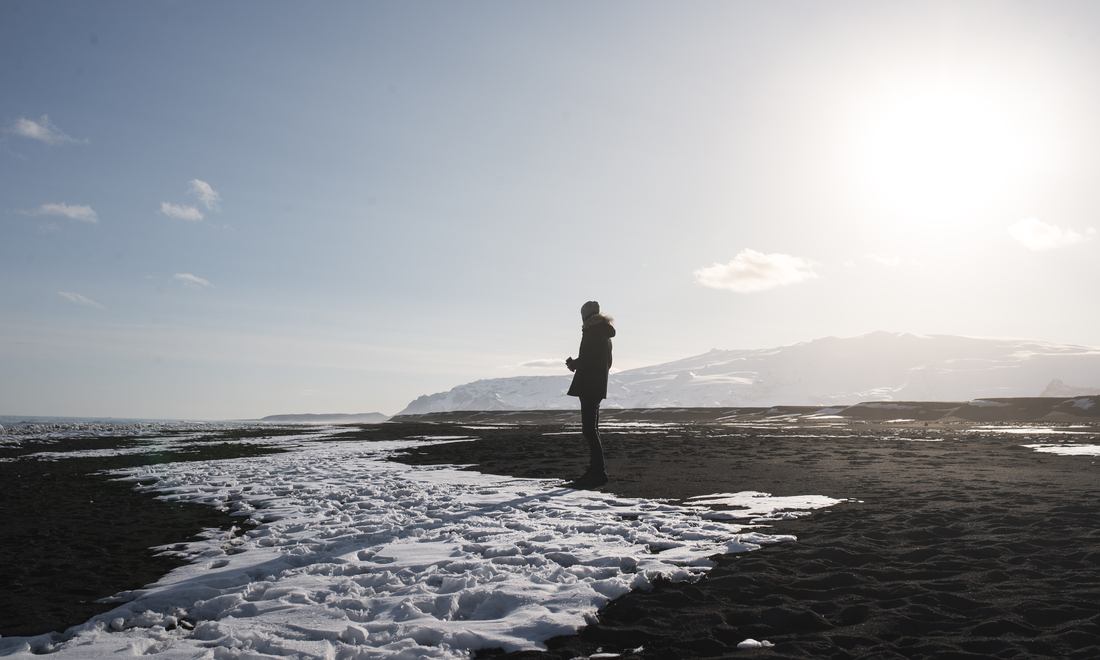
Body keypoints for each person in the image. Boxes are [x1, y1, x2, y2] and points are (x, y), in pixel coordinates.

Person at [565, 300, 615, 487]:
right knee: (592, 429)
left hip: (589, 385)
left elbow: (588, 359)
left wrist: (575, 365)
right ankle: (596, 471)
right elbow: (601, 360)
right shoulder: (604, 334)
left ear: (585, 316)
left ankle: (597, 472)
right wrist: (578, 364)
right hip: (597, 385)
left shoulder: (592, 332)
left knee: (589, 430)